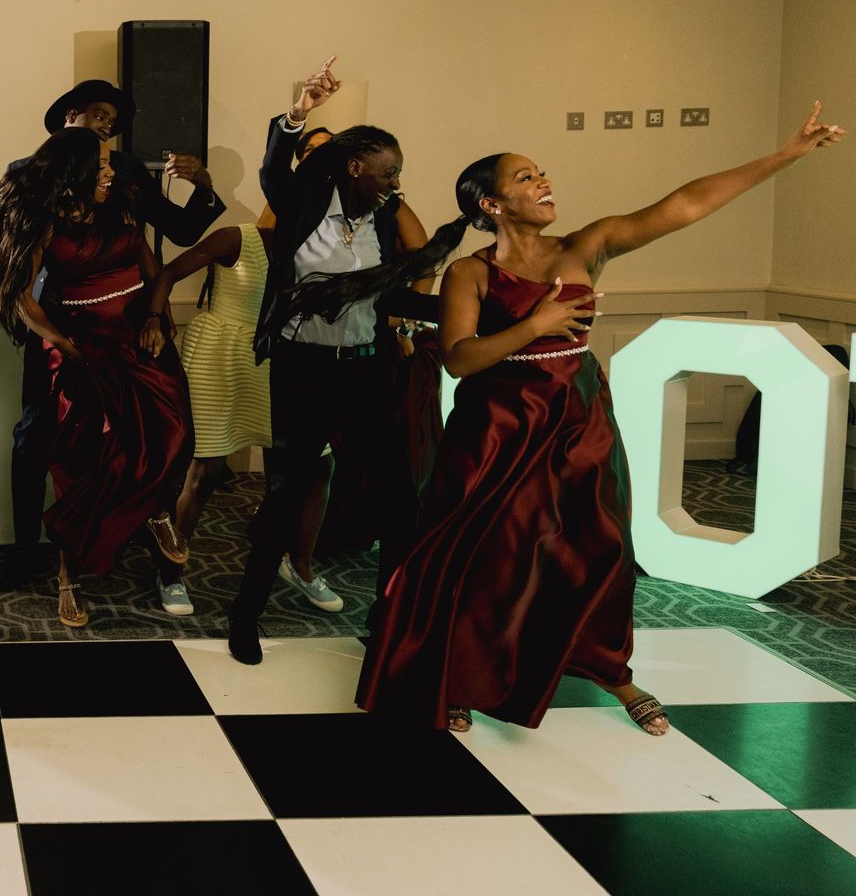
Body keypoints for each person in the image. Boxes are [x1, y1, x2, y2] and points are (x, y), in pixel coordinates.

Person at [359, 103, 844, 736]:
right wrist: (535, 325)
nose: (544, 182)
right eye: (526, 177)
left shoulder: (586, 246)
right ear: (492, 206)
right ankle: (456, 672)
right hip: (496, 431)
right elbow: (458, 361)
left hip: (578, 420)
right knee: (487, 554)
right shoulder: (470, 272)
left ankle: (613, 671)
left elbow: (684, 204)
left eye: (542, 173)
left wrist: (786, 156)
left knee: (601, 547)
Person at [227, 60, 440, 665]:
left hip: (366, 370)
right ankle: (247, 618)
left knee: (400, 497)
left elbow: (399, 286)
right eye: (388, 170)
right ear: (355, 167)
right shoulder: (301, 206)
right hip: (305, 370)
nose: (396, 180)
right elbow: (273, 167)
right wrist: (298, 114)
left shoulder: (383, 220)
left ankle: (389, 616)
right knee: (287, 492)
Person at [0, 79, 224, 591]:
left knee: (142, 437)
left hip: (126, 326)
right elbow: (7, 262)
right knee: (37, 437)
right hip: (56, 328)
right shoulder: (26, 176)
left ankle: (124, 535)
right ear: (70, 116)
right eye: (98, 116)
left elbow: (175, 234)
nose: (108, 129)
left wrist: (205, 186)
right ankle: (25, 552)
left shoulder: (122, 177)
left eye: (113, 122)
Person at [160, 222, 271, 554]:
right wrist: (158, 318)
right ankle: (172, 564)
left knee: (311, 466)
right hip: (220, 353)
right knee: (207, 468)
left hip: (274, 354)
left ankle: (295, 564)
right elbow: (168, 273)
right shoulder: (237, 237)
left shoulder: (315, 242)